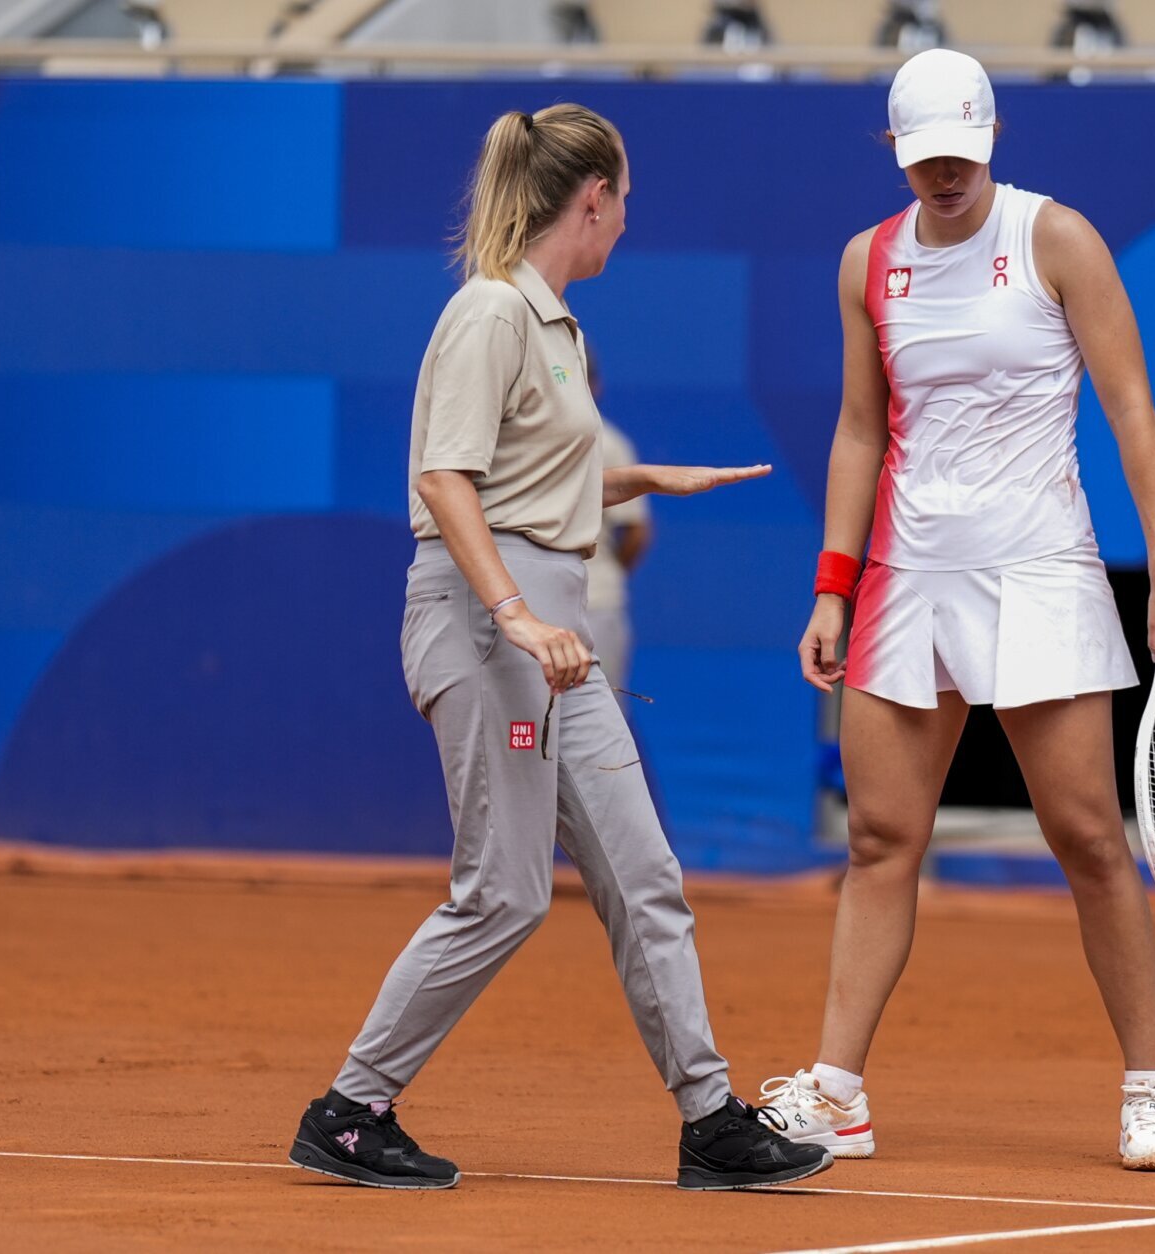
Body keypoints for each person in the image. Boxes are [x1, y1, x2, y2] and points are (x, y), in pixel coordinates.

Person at [288, 103, 831, 1193]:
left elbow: (528, 479)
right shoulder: (489, 314)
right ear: (590, 200)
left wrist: (645, 478)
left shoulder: (559, 327)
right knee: (504, 892)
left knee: (645, 875)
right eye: (622, 201)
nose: (626, 222)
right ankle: (349, 1110)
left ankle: (709, 1119)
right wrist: (517, 618)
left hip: (553, 628)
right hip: (495, 625)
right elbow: (446, 480)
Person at [760, 49, 1155, 1172]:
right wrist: (833, 581)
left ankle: (1146, 1091)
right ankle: (837, 1092)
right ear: (896, 152)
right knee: (877, 839)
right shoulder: (869, 261)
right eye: (922, 161)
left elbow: (1131, 409)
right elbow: (861, 430)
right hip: (906, 583)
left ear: (992, 136)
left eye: (959, 154)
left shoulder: (1056, 239)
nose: (942, 176)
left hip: (1039, 573)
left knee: (1089, 840)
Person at [582, 352, 652, 694]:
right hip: (528, 605)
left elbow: (637, 531)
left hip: (595, 603)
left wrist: (606, 575)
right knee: (529, 724)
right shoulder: (519, 439)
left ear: (596, 386)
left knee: (600, 716)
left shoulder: (610, 443)